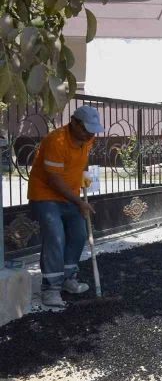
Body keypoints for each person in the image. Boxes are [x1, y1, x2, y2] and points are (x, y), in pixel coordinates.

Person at [28, 106, 104, 307]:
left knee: (78, 234)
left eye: (93, 130)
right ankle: (51, 289)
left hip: (70, 196)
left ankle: (68, 278)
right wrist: (79, 202)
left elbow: (74, 163)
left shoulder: (87, 139)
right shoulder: (56, 141)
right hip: (45, 195)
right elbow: (54, 180)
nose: (91, 134)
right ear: (74, 122)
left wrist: (82, 176)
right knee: (55, 236)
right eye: (87, 129)